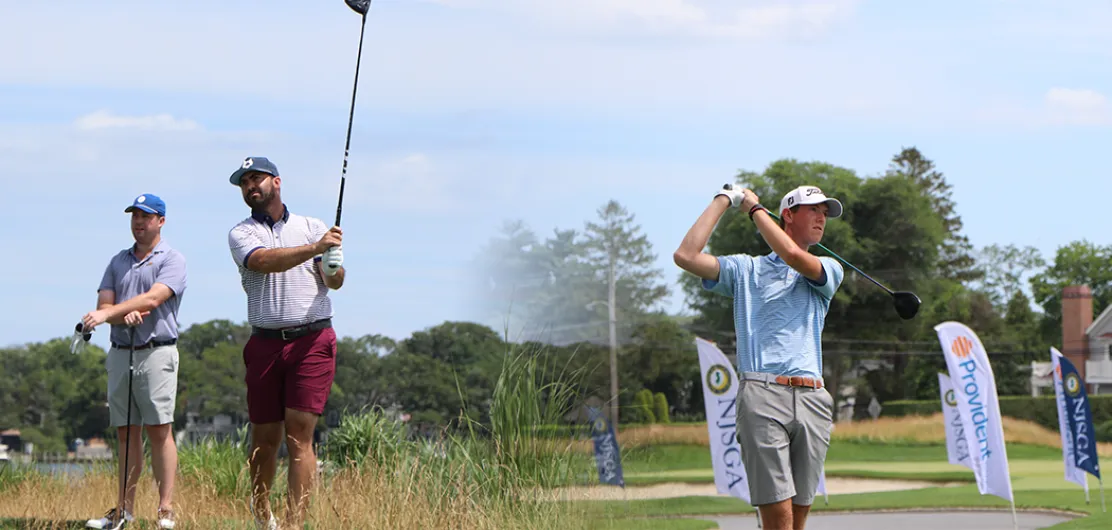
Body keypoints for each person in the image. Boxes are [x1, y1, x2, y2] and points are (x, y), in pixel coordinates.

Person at [673, 184, 844, 530]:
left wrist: (754, 211)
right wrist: (725, 200)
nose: (822, 218)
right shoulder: (745, 270)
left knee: (797, 521)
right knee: (778, 521)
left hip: (813, 398)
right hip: (763, 394)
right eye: (814, 210)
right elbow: (686, 256)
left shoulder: (828, 268)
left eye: (825, 212)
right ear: (788, 215)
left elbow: (794, 257)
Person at [225, 156, 345, 530]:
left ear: (277, 182)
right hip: (264, 344)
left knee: (299, 434)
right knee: (264, 439)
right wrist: (316, 248)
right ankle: (264, 518)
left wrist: (332, 260)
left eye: (256, 179)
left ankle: (294, 524)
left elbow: (336, 282)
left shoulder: (313, 226)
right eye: (244, 182)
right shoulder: (241, 233)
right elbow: (263, 262)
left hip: (312, 339)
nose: (250, 187)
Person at [82, 193, 187, 530]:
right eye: (135, 217)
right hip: (120, 352)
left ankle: (165, 509)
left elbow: (154, 298)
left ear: (161, 221)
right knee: (126, 433)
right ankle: (124, 511)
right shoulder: (117, 261)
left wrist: (111, 313)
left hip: (157, 351)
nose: (139, 222)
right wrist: (116, 316)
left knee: (160, 431)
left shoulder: (173, 259)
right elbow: (105, 304)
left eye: (146, 216)